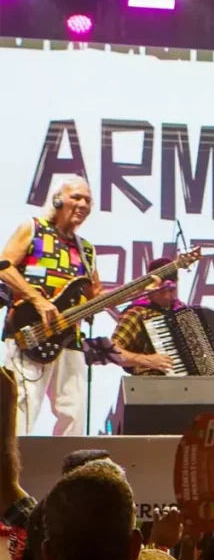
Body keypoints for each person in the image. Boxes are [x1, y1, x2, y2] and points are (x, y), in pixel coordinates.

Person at [0, 177, 101, 436]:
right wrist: (37, 299)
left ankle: (69, 474)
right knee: (21, 408)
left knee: (74, 413)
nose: (82, 204)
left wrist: (141, 289)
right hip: (29, 331)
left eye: (87, 200)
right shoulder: (33, 228)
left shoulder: (86, 250)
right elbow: (4, 266)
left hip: (69, 337)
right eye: (76, 197)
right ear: (57, 200)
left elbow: (95, 296)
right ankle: (11, 474)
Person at [111, 258, 182, 376]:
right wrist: (146, 360)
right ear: (152, 285)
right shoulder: (137, 313)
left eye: (172, 290)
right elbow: (113, 351)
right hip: (151, 385)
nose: (168, 296)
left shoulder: (183, 311)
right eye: (163, 290)